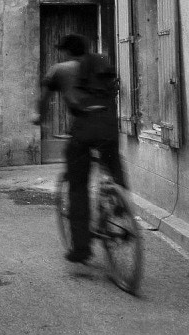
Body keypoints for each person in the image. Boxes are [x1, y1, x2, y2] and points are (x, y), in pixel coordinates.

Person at [35, 33, 126, 263]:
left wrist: (38, 117)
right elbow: (114, 89)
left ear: (66, 51)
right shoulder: (101, 62)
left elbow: (43, 100)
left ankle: (81, 249)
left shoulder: (60, 69)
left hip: (84, 128)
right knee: (112, 163)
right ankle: (118, 200)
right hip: (108, 124)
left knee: (77, 187)